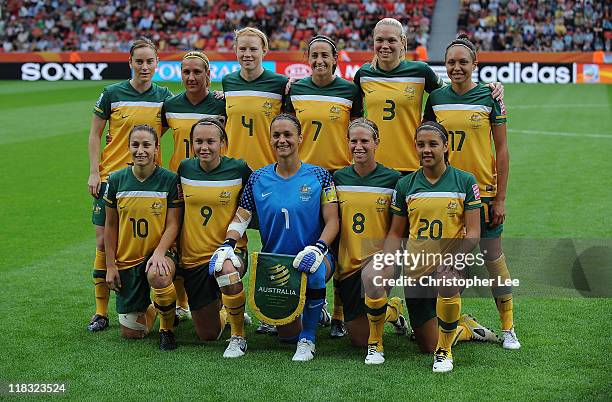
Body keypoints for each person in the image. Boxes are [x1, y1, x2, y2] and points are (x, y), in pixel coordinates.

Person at [363, 122, 493, 372]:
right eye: (421, 145)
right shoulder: (406, 185)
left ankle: (445, 352)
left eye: (433, 144)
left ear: (446, 146)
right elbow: (396, 232)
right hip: (416, 270)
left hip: (449, 265)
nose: (427, 150)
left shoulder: (465, 181)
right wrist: (386, 261)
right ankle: (378, 342)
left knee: (447, 282)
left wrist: (455, 259)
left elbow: (474, 233)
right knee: (425, 342)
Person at [211, 114, 339, 361]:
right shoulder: (258, 178)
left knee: (314, 273)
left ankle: (308, 339)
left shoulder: (321, 176)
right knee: (286, 335)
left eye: (288, 135)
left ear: (300, 138)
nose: (282, 140)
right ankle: (313, 315)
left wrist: (319, 248)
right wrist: (228, 244)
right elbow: (242, 216)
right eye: (276, 135)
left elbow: (333, 220)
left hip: (317, 257)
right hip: (277, 265)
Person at [423, 34, 520, 350]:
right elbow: (426, 144)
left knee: (493, 257)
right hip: (447, 194)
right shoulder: (436, 99)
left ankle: (508, 328)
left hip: (485, 193)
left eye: (463, 61)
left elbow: (503, 149)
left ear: (475, 64)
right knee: (451, 265)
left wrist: (500, 197)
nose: (456, 67)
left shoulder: (489, 96)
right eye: (451, 62)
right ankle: (454, 325)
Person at [87, 37, 172, 332]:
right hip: (112, 178)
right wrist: (94, 172)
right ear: (131, 63)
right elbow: (95, 135)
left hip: (150, 183)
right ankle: (100, 312)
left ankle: (172, 306)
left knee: (153, 243)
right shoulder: (111, 93)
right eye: (140, 61)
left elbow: (188, 117)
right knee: (103, 242)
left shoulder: (165, 97)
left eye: (150, 61)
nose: (145, 66)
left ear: (157, 64)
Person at [285, 34, 363, 337]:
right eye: (313, 56)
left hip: (339, 179)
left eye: (324, 56)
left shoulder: (349, 91)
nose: (319, 61)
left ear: (335, 58)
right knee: (301, 242)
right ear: (307, 59)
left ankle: (340, 315)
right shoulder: (295, 91)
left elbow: (356, 131)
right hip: (303, 180)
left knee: (341, 247)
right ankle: (296, 305)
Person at [353, 18, 503, 174]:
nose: (385, 46)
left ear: (403, 41)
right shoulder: (364, 74)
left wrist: (486, 88)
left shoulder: (420, 71)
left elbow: (452, 93)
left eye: (391, 40)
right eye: (379, 40)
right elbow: (353, 118)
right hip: (373, 166)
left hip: (411, 166)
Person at [176, 118, 252, 357]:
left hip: (230, 251)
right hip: (193, 259)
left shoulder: (239, 169)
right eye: (198, 141)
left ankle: (238, 337)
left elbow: (250, 205)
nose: (204, 147)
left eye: (211, 141)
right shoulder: (185, 169)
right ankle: (226, 309)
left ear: (223, 143)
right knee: (207, 334)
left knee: (227, 274)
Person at [103, 125, 181, 350]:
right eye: (135, 145)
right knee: (132, 333)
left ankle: (167, 329)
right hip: (128, 259)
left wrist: (159, 252)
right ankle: (157, 307)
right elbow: (110, 225)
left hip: (161, 253)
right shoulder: (116, 180)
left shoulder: (169, 179)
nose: (141, 150)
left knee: (158, 273)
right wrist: (110, 265)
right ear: (128, 147)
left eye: (146, 145)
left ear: (157, 148)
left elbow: (174, 224)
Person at [333, 118, 409, 351]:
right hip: (348, 266)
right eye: (353, 141)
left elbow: (398, 229)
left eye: (365, 141)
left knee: (373, 280)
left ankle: (378, 341)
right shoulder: (338, 178)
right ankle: (391, 308)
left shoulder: (393, 179)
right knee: (358, 341)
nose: (359, 146)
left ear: (376, 142)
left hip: (379, 263)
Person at [162, 50, 226, 319]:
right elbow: (151, 135)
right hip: (181, 184)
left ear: (208, 75)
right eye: (186, 72)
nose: (191, 77)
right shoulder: (171, 105)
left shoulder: (222, 105)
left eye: (197, 71)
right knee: (180, 239)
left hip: (213, 184)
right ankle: (180, 304)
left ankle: (223, 303)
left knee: (216, 240)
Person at [222, 27, 288, 170]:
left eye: (253, 49)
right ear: (235, 50)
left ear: (264, 51)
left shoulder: (280, 83)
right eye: (242, 49)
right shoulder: (228, 82)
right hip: (232, 169)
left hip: (269, 168)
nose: (247, 54)